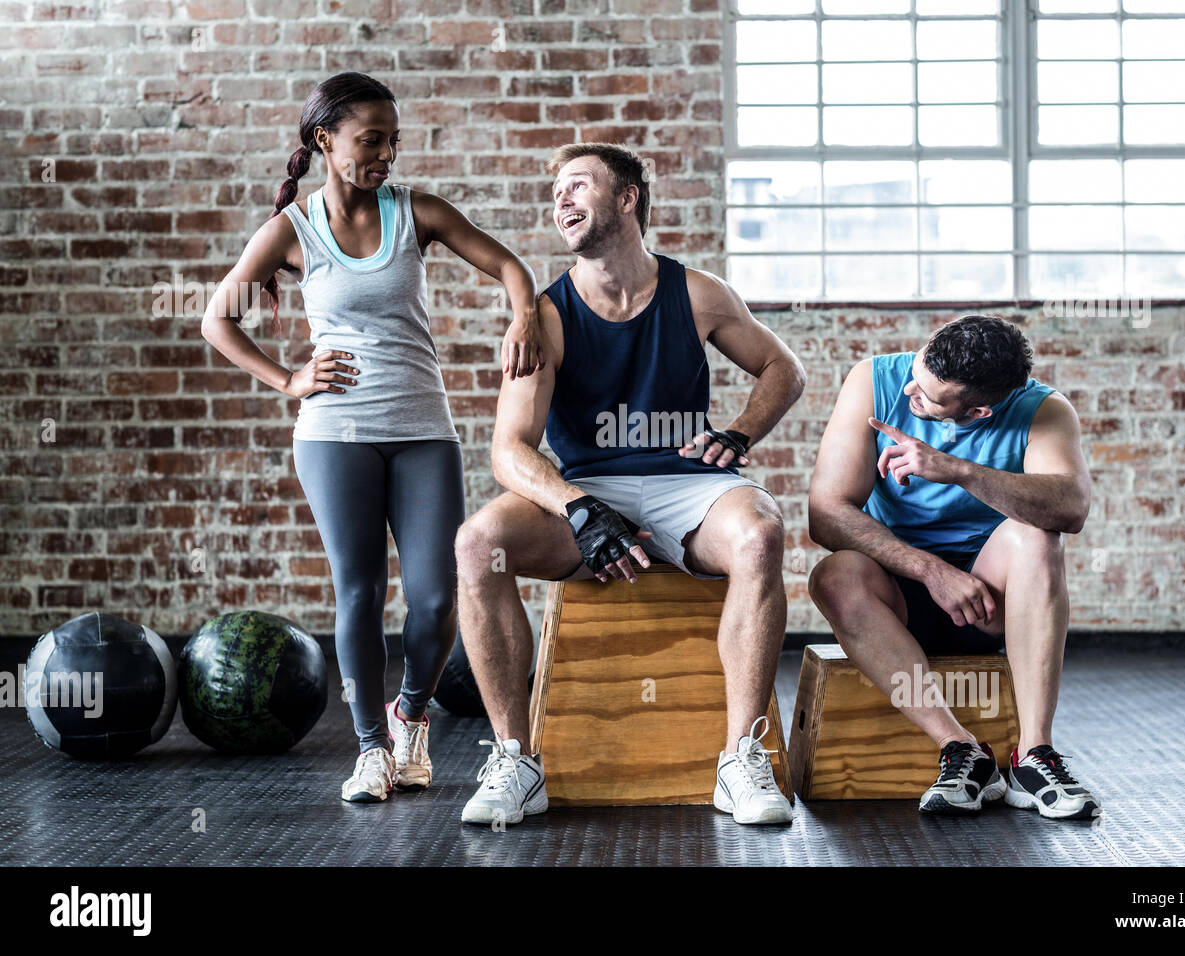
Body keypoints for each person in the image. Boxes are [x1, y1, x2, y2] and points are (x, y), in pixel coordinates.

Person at [200, 72, 544, 804]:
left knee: (435, 597)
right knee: (359, 592)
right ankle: (370, 749)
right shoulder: (292, 230)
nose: (386, 153)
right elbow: (216, 320)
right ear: (325, 140)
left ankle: (410, 717)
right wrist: (289, 379)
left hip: (423, 430)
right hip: (334, 437)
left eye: (392, 139)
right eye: (371, 140)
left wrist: (524, 316)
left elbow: (511, 266)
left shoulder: (415, 212)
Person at [453, 142, 807, 826]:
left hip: (687, 487)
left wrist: (737, 434)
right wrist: (579, 508)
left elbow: (783, 370)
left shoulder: (697, 292)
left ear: (627, 199)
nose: (561, 199)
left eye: (578, 185)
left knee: (761, 536)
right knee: (476, 545)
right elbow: (509, 451)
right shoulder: (547, 319)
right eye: (555, 191)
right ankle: (514, 760)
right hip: (585, 491)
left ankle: (740, 759)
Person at [807, 315, 1101, 819]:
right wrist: (930, 571)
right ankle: (961, 749)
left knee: (1038, 538)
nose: (909, 393)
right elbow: (826, 512)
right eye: (916, 376)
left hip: (987, 602)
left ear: (979, 410)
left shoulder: (1044, 410)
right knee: (833, 574)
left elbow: (1072, 507)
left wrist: (956, 470)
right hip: (897, 598)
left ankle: (1033, 756)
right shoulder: (873, 380)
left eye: (927, 397)